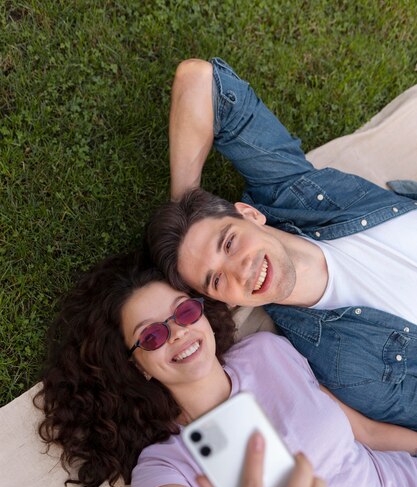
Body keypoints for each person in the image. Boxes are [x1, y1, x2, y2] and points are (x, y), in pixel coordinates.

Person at [36, 251, 417, 487]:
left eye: (184, 311)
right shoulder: (163, 469)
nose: (179, 331)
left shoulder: (266, 351)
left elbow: (365, 432)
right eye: (151, 335)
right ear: (134, 365)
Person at [147, 57, 417, 429]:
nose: (240, 270)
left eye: (228, 243)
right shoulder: (345, 364)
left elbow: (200, 81)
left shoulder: (291, 196)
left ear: (250, 214)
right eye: (215, 280)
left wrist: (183, 203)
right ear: (223, 301)